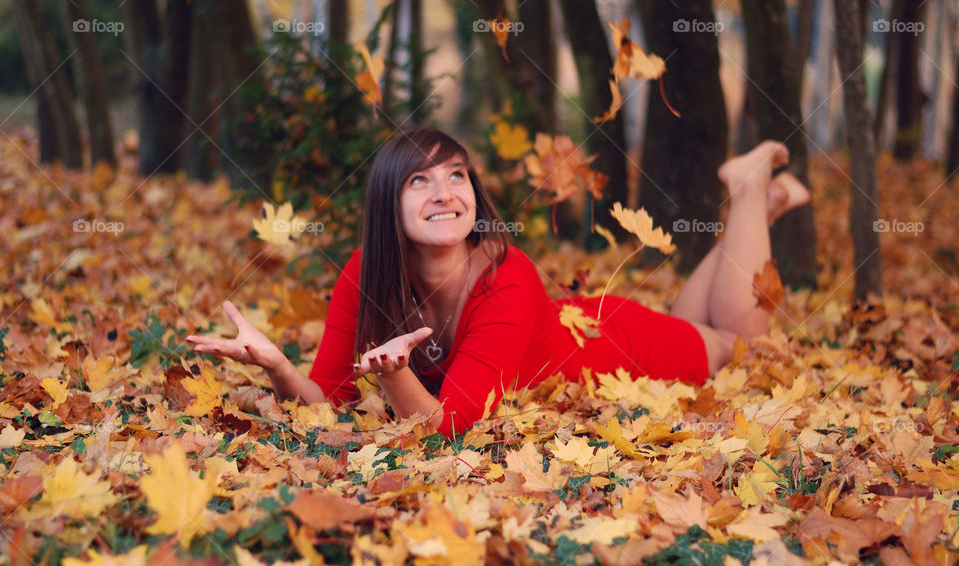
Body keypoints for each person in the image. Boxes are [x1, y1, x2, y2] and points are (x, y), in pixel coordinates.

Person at [186, 129, 810, 437]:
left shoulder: (506, 276)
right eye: (420, 181)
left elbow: (446, 427)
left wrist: (395, 374)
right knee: (706, 319)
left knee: (736, 338)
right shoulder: (365, 270)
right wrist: (275, 366)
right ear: (387, 204)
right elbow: (330, 400)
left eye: (456, 176)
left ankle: (752, 192)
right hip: (589, 324)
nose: (445, 193)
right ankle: (755, 212)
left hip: (615, 348)